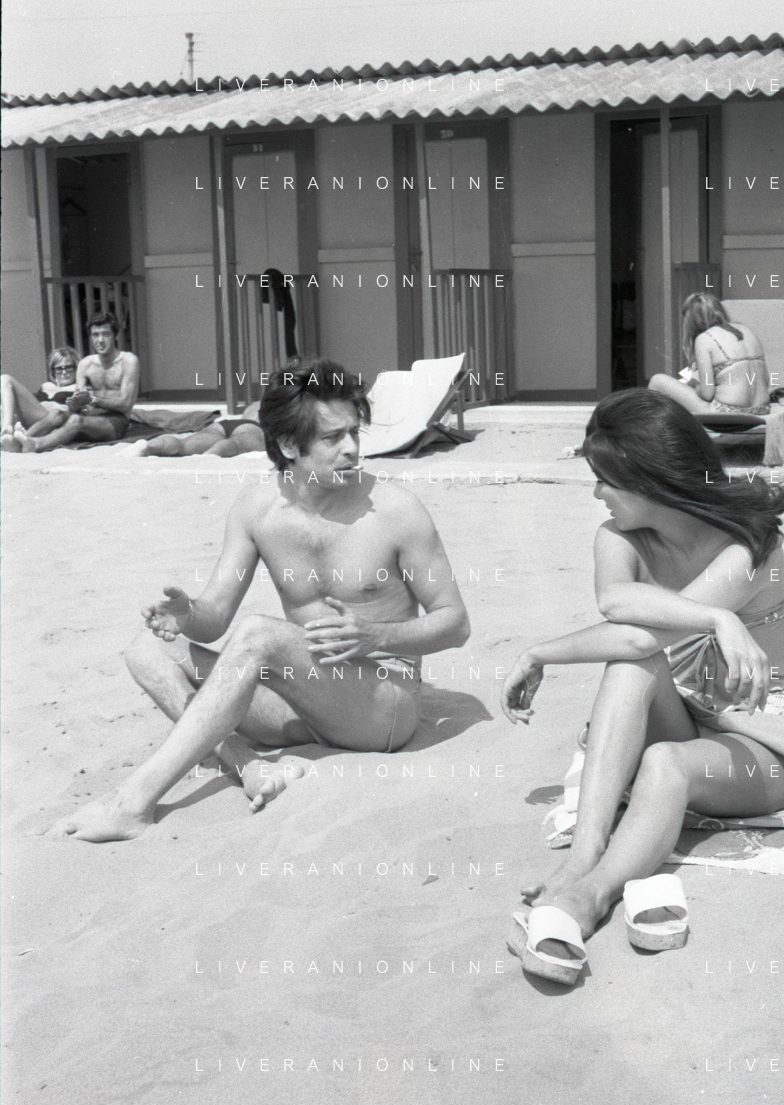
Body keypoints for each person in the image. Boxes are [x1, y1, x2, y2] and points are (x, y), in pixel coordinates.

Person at [45, 357, 470, 842]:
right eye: (333, 437)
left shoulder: (396, 511)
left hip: (380, 708)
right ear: (288, 445)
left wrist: (377, 636)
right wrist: (187, 614)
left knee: (259, 635)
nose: (353, 448)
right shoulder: (256, 508)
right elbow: (214, 619)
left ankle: (131, 803)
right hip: (299, 701)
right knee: (147, 649)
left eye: (354, 432)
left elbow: (455, 622)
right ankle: (246, 764)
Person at [501, 389, 784, 984]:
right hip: (697, 711)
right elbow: (616, 607)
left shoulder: (752, 548)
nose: (597, 494)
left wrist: (541, 652)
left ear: (651, 480)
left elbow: (635, 635)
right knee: (633, 668)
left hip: (766, 738)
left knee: (663, 762)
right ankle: (584, 855)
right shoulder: (619, 537)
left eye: (605, 480)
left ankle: (592, 895)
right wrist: (716, 618)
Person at [14, 312, 140, 452]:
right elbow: (78, 405)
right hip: (90, 416)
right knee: (57, 414)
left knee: (76, 420)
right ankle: (19, 440)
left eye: (106, 334)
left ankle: (37, 444)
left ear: (115, 336)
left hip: (115, 422)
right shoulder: (86, 364)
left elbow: (125, 404)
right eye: (95, 335)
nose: (100, 340)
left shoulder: (128, 361)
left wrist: (93, 400)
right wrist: (75, 404)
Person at [649, 292, 770, 416]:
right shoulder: (746, 330)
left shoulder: (704, 338)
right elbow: (766, 381)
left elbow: (707, 394)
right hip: (762, 409)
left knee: (657, 381)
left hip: (726, 411)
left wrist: (696, 386)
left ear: (692, 321)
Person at [1, 347, 80, 452]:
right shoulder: (46, 386)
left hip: (51, 419)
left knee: (6, 378)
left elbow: (75, 412)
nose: (64, 372)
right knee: (5, 401)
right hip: (34, 418)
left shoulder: (78, 388)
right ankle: (9, 436)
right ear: (53, 371)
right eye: (59, 368)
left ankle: (7, 431)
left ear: (76, 369)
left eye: (68, 367)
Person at [137, 400, 267, 457]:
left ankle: (148, 446)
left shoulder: (254, 404)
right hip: (251, 426)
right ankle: (211, 454)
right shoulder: (273, 403)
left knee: (184, 444)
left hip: (223, 424)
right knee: (237, 444)